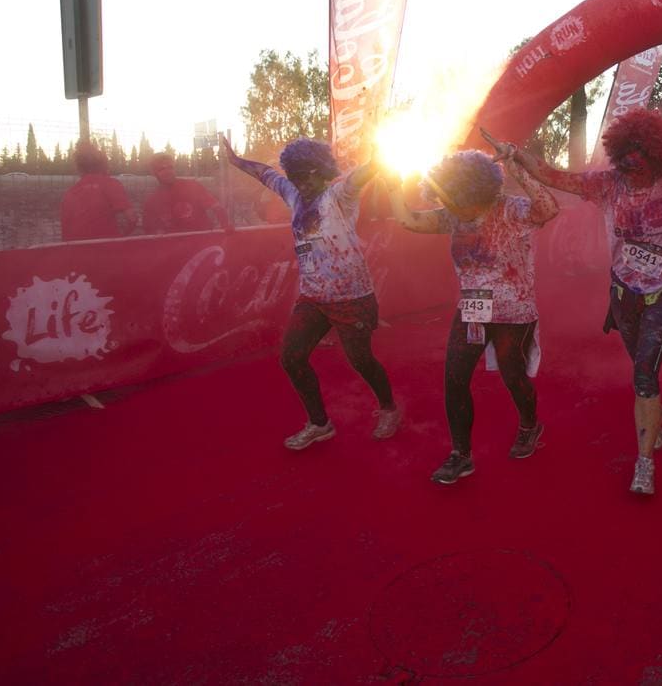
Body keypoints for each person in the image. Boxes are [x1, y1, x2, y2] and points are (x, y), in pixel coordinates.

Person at [509, 108, 662, 496]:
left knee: (642, 374)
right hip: (623, 294)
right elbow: (558, 178)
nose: (631, 172)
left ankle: (644, 465)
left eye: (639, 164)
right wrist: (520, 157)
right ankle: (655, 418)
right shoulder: (608, 184)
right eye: (625, 164)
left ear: (658, 156)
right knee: (644, 372)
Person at [387, 148, 559, 484]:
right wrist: (393, 184)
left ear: (476, 190)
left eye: (457, 201)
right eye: (446, 199)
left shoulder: (512, 208)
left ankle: (529, 425)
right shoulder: (453, 215)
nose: (452, 208)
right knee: (454, 378)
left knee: (514, 377)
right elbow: (409, 220)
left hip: (514, 311)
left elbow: (549, 208)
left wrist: (514, 165)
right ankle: (460, 455)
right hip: (472, 311)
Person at [221, 135, 400, 449]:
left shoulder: (340, 195)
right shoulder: (292, 194)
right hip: (313, 297)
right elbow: (267, 175)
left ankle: (389, 408)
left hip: (351, 296)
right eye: (295, 176)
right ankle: (320, 424)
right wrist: (237, 162)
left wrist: (375, 162)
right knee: (291, 357)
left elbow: (360, 178)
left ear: (320, 170)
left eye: (306, 175)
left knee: (361, 360)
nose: (300, 182)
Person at [59, 142, 137, 241]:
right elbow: (132, 218)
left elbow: (65, 233)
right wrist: (121, 236)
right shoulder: (111, 184)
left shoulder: (70, 193)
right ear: (104, 165)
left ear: (79, 168)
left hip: (77, 250)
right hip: (105, 247)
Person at [142, 153, 231, 234]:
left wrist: (225, 226)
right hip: (174, 247)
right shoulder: (152, 201)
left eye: (170, 167)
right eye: (162, 169)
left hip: (202, 242)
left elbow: (216, 207)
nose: (168, 171)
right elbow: (149, 229)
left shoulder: (192, 186)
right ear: (154, 173)